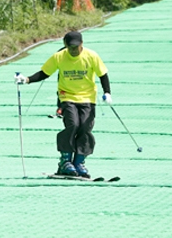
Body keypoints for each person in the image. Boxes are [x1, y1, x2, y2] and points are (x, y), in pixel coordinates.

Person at [15, 31, 111, 178]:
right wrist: (26, 79)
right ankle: (65, 161)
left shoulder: (91, 56)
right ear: (65, 46)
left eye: (76, 47)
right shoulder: (59, 57)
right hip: (67, 97)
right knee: (73, 125)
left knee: (85, 127)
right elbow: (44, 73)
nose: (74, 50)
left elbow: (103, 75)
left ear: (82, 44)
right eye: (70, 47)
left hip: (88, 98)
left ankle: (79, 161)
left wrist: (107, 93)